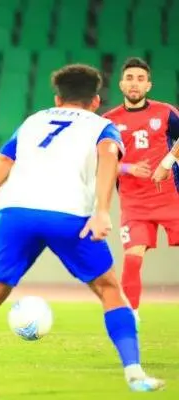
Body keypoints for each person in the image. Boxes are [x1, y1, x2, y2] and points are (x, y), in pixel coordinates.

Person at [0, 64, 164, 392]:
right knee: (109, 290)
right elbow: (109, 159)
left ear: (57, 98)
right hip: (68, 215)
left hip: (15, 213)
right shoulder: (102, 125)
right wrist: (103, 211)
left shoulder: (32, 122)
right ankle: (135, 374)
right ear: (95, 100)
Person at [103, 57, 179, 323]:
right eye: (130, 78)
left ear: (149, 85)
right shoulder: (108, 122)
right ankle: (130, 318)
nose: (135, 83)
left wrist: (168, 161)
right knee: (132, 258)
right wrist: (127, 169)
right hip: (134, 204)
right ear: (121, 83)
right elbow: (101, 162)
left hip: (171, 198)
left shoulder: (165, 112)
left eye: (140, 79)